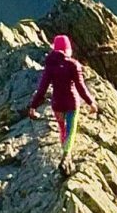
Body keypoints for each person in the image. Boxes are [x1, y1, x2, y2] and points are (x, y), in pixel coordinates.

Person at [28, 34, 97, 173]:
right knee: (71, 131)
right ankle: (66, 157)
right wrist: (91, 102)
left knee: (62, 130)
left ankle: (66, 157)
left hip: (57, 105)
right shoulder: (73, 65)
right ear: (68, 49)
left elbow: (42, 89)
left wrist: (33, 106)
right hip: (72, 103)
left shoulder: (49, 65)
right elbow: (80, 87)